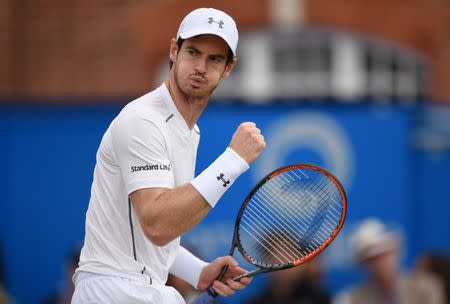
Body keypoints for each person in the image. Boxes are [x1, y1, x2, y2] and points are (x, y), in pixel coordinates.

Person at [72, 7, 265, 304]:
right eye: (193, 52)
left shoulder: (188, 131)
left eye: (214, 59)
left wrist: (198, 271)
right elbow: (158, 224)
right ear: (174, 50)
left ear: (228, 68)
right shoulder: (143, 121)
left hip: (133, 289)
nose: (201, 67)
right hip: (116, 291)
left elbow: (149, 235)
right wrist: (234, 160)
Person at [334, 218, 445, 304]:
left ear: (394, 252)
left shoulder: (427, 287)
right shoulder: (354, 298)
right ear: (364, 265)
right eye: (372, 259)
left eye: (384, 254)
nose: (380, 263)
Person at [246, 257, 331, 304]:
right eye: (275, 257)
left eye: (287, 256)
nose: (281, 263)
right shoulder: (254, 302)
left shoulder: (324, 299)